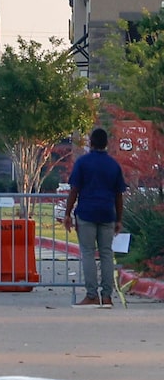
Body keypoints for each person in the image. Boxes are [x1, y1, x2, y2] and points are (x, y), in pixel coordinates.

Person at [63, 126, 127, 306]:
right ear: (106, 143)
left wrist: (67, 214)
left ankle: (92, 295)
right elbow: (118, 195)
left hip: (86, 212)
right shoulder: (113, 165)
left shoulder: (83, 163)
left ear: (91, 142)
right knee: (107, 254)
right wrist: (119, 218)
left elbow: (74, 190)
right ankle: (107, 296)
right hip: (107, 213)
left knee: (89, 253)